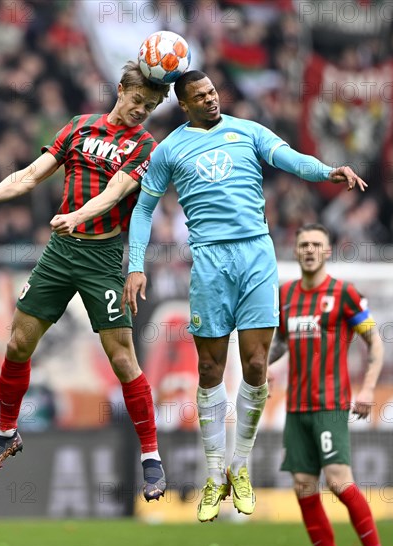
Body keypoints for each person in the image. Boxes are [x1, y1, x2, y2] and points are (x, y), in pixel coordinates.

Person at [121, 70, 368, 522]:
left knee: (256, 365)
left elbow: (290, 159)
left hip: (256, 255)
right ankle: (215, 473)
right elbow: (142, 209)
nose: (211, 100)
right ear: (185, 104)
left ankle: (240, 467)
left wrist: (325, 170)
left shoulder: (247, 130)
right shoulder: (170, 149)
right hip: (210, 262)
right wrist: (135, 265)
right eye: (200, 96)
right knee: (211, 368)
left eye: (213, 92)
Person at [0, 62, 170, 502]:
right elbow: (30, 175)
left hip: (102, 258)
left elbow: (116, 193)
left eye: (152, 106)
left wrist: (77, 216)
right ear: (120, 90)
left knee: (123, 360)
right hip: (60, 255)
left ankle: (151, 458)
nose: (142, 111)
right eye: (138, 101)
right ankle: (7, 431)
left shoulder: (145, 147)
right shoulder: (79, 127)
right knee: (17, 344)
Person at [268, 223, 383, 546]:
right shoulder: (286, 294)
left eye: (316, 244)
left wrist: (368, 389)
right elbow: (280, 343)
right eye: (304, 244)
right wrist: (260, 367)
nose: (309, 250)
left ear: (327, 251)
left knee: (337, 480)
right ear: (296, 249)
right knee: (303, 485)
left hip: (330, 404)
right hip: (296, 408)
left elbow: (375, 344)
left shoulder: (345, 293)